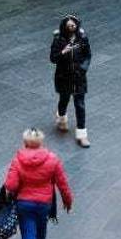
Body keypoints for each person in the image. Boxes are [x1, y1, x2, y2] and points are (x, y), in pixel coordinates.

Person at [3, 128, 73, 239]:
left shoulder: (17, 160)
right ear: (41, 142)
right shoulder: (52, 159)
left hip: (24, 204)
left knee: (28, 235)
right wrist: (68, 201)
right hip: (44, 203)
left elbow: (11, 185)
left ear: (25, 142)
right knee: (42, 227)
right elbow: (62, 184)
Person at [50, 14, 92, 147]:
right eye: (69, 26)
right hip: (64, 76)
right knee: (64, 99)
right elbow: (53, 58)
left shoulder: (82, 39)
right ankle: (61, 117)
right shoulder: (59, 40)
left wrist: (83, 68)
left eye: (73, 25)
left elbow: (87, 55)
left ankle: (82, 134)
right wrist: (63, 52)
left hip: (79, 77)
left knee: (80, 104)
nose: (71, 28)